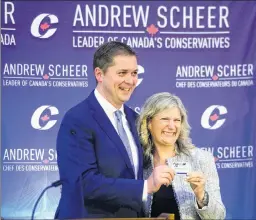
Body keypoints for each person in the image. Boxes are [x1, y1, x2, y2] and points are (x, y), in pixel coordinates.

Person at [55, 42, 175, 219]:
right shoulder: (77, 120)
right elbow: (83, 183)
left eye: (134, 73)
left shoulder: (135, 120)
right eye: (122, 73)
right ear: (99, 74)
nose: (130, 81)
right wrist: (146, 186)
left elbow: (138, 173)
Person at [137, 92, 226, 220]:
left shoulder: (201, 158)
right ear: (149, 123)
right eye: (165, 119)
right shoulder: (137, 162)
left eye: (177, 120)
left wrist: (201, 196)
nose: (172, 126)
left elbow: (218, 217)